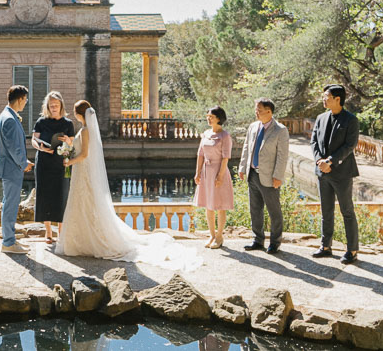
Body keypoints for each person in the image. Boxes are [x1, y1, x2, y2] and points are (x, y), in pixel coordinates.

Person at [56, 101, 201, 270]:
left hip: (83, 171)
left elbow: (85, 154)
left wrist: (69, 162)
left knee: (86, 203)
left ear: (78, 114)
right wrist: (70, 143)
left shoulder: (86, 130)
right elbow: (81, 147)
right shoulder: (85, 130)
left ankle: (86, 241)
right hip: (81, 172)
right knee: (83, 204)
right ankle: (83, 240)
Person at [311, 84, 361, 264]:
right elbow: (314, 142)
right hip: (322, 172)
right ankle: (325, 246)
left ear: (337, 99)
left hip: (342, 172)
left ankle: (352, 250)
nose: (324, 99)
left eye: (327, 96)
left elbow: (350, 145)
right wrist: (320, 161)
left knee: (347, 211)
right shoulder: (321, 118)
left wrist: (330, 161)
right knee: (326, 211)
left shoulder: (351, 120)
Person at [238, 98, 289, 254]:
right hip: (252, 174)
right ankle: (258, 240)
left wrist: (278, 176)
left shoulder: (280, 130)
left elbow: (282, 156)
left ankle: (275, 242)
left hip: (269, 177)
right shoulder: (253, 127)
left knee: (274, 211)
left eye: (259, 110)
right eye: (256, 109)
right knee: (255, 209)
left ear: (269, 111)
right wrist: (242, 167)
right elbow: (247, 147)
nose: (256, 112)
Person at [31, 91, 74, 244]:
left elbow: (72, 145)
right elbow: (34, 140)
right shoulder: (41, 122)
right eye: (51, 105)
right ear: (47, 107)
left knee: (62, 195)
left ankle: (61, 231)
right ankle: (48, 231)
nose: (54, 108)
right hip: (44, 162)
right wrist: (40, 148)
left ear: (61, 105)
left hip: (61, 164)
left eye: (56, 105)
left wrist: (68, 140)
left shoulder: (68, 123)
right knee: (45, 196)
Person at [0, 85, 34, 254]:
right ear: (19, 99)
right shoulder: (10, 119)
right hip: (11, 169)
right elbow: (13, 147)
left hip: (11, 167)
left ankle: (10, 240)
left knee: (9, 204)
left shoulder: (8, 116)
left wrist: (23, 162)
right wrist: (23, 163)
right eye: (25, 100)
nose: (25, 103)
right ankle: (9, 243)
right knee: (10, 206)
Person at [193, 106, 234, 249]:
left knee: (220, 205)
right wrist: (198, 172)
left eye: (211, 116)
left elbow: (226, 157)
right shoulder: (205, 134)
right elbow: (200, 154)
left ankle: (219, 236)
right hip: (206, 171)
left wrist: (220, 176)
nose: (208, 118)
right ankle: (211, 234)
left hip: (218, 170)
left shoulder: (225, 136)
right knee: (208, 205)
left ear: (219, 118)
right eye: (208, 116)